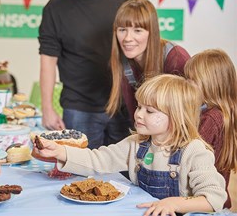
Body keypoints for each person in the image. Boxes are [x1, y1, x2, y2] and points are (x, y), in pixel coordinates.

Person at [33, 74, 227, 215]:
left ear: (177, 117)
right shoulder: (137, 144)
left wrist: (175, 204)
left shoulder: (194, 151)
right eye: (139, 107)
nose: (139, 114)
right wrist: (60, 151)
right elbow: (98, 160)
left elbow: (214, 198)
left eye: (149, 111)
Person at [38, 0, 134, 149]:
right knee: (80, 171)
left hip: (122, 103)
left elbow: (139, 33)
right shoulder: (54, 8)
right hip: (79, 107)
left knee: (125, 171)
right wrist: (47, 108)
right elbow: (48, 60)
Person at [105, 0, 190, 123]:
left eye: (137, 30)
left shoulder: (176, 58)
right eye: (122, 30)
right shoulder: (123, 62)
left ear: (152, 32)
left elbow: (189, 114)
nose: (127, 38)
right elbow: (136, 118)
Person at [184, 49, 237, 210]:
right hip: (218, 198)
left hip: (203, 201)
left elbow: (189, 156)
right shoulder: (225, 112)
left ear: (210, 83)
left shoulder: (211, 119)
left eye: (191, 80)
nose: (186, 84)